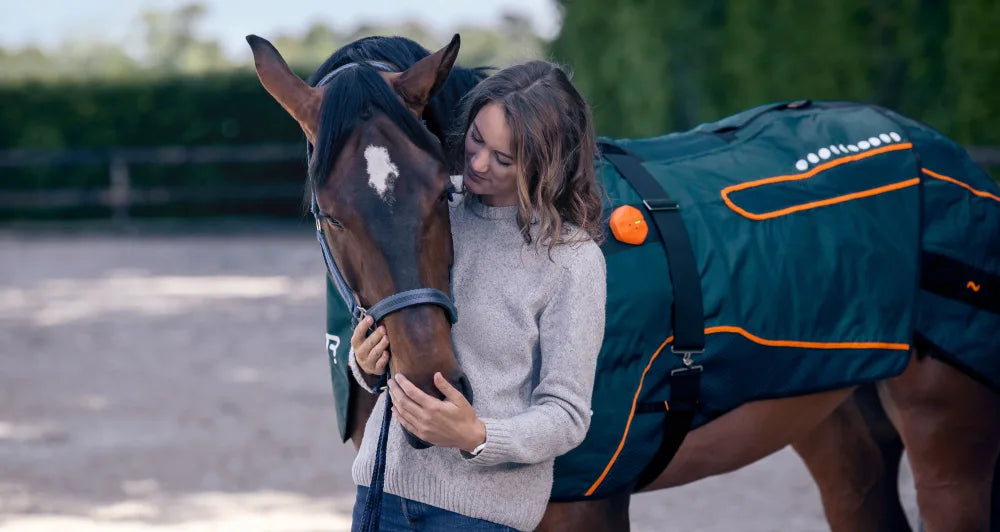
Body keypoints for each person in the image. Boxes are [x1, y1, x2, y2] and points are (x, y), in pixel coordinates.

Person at [348, 60, 607, 532]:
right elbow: (392, 331)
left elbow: (568, 414)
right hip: (381, 491)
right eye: (476, 139)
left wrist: (478, 435)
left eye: (505, 159)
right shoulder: (428, 205)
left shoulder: (572, 260)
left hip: (480, 516)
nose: (478, 163)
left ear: (548, 165)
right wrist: (364, 362)